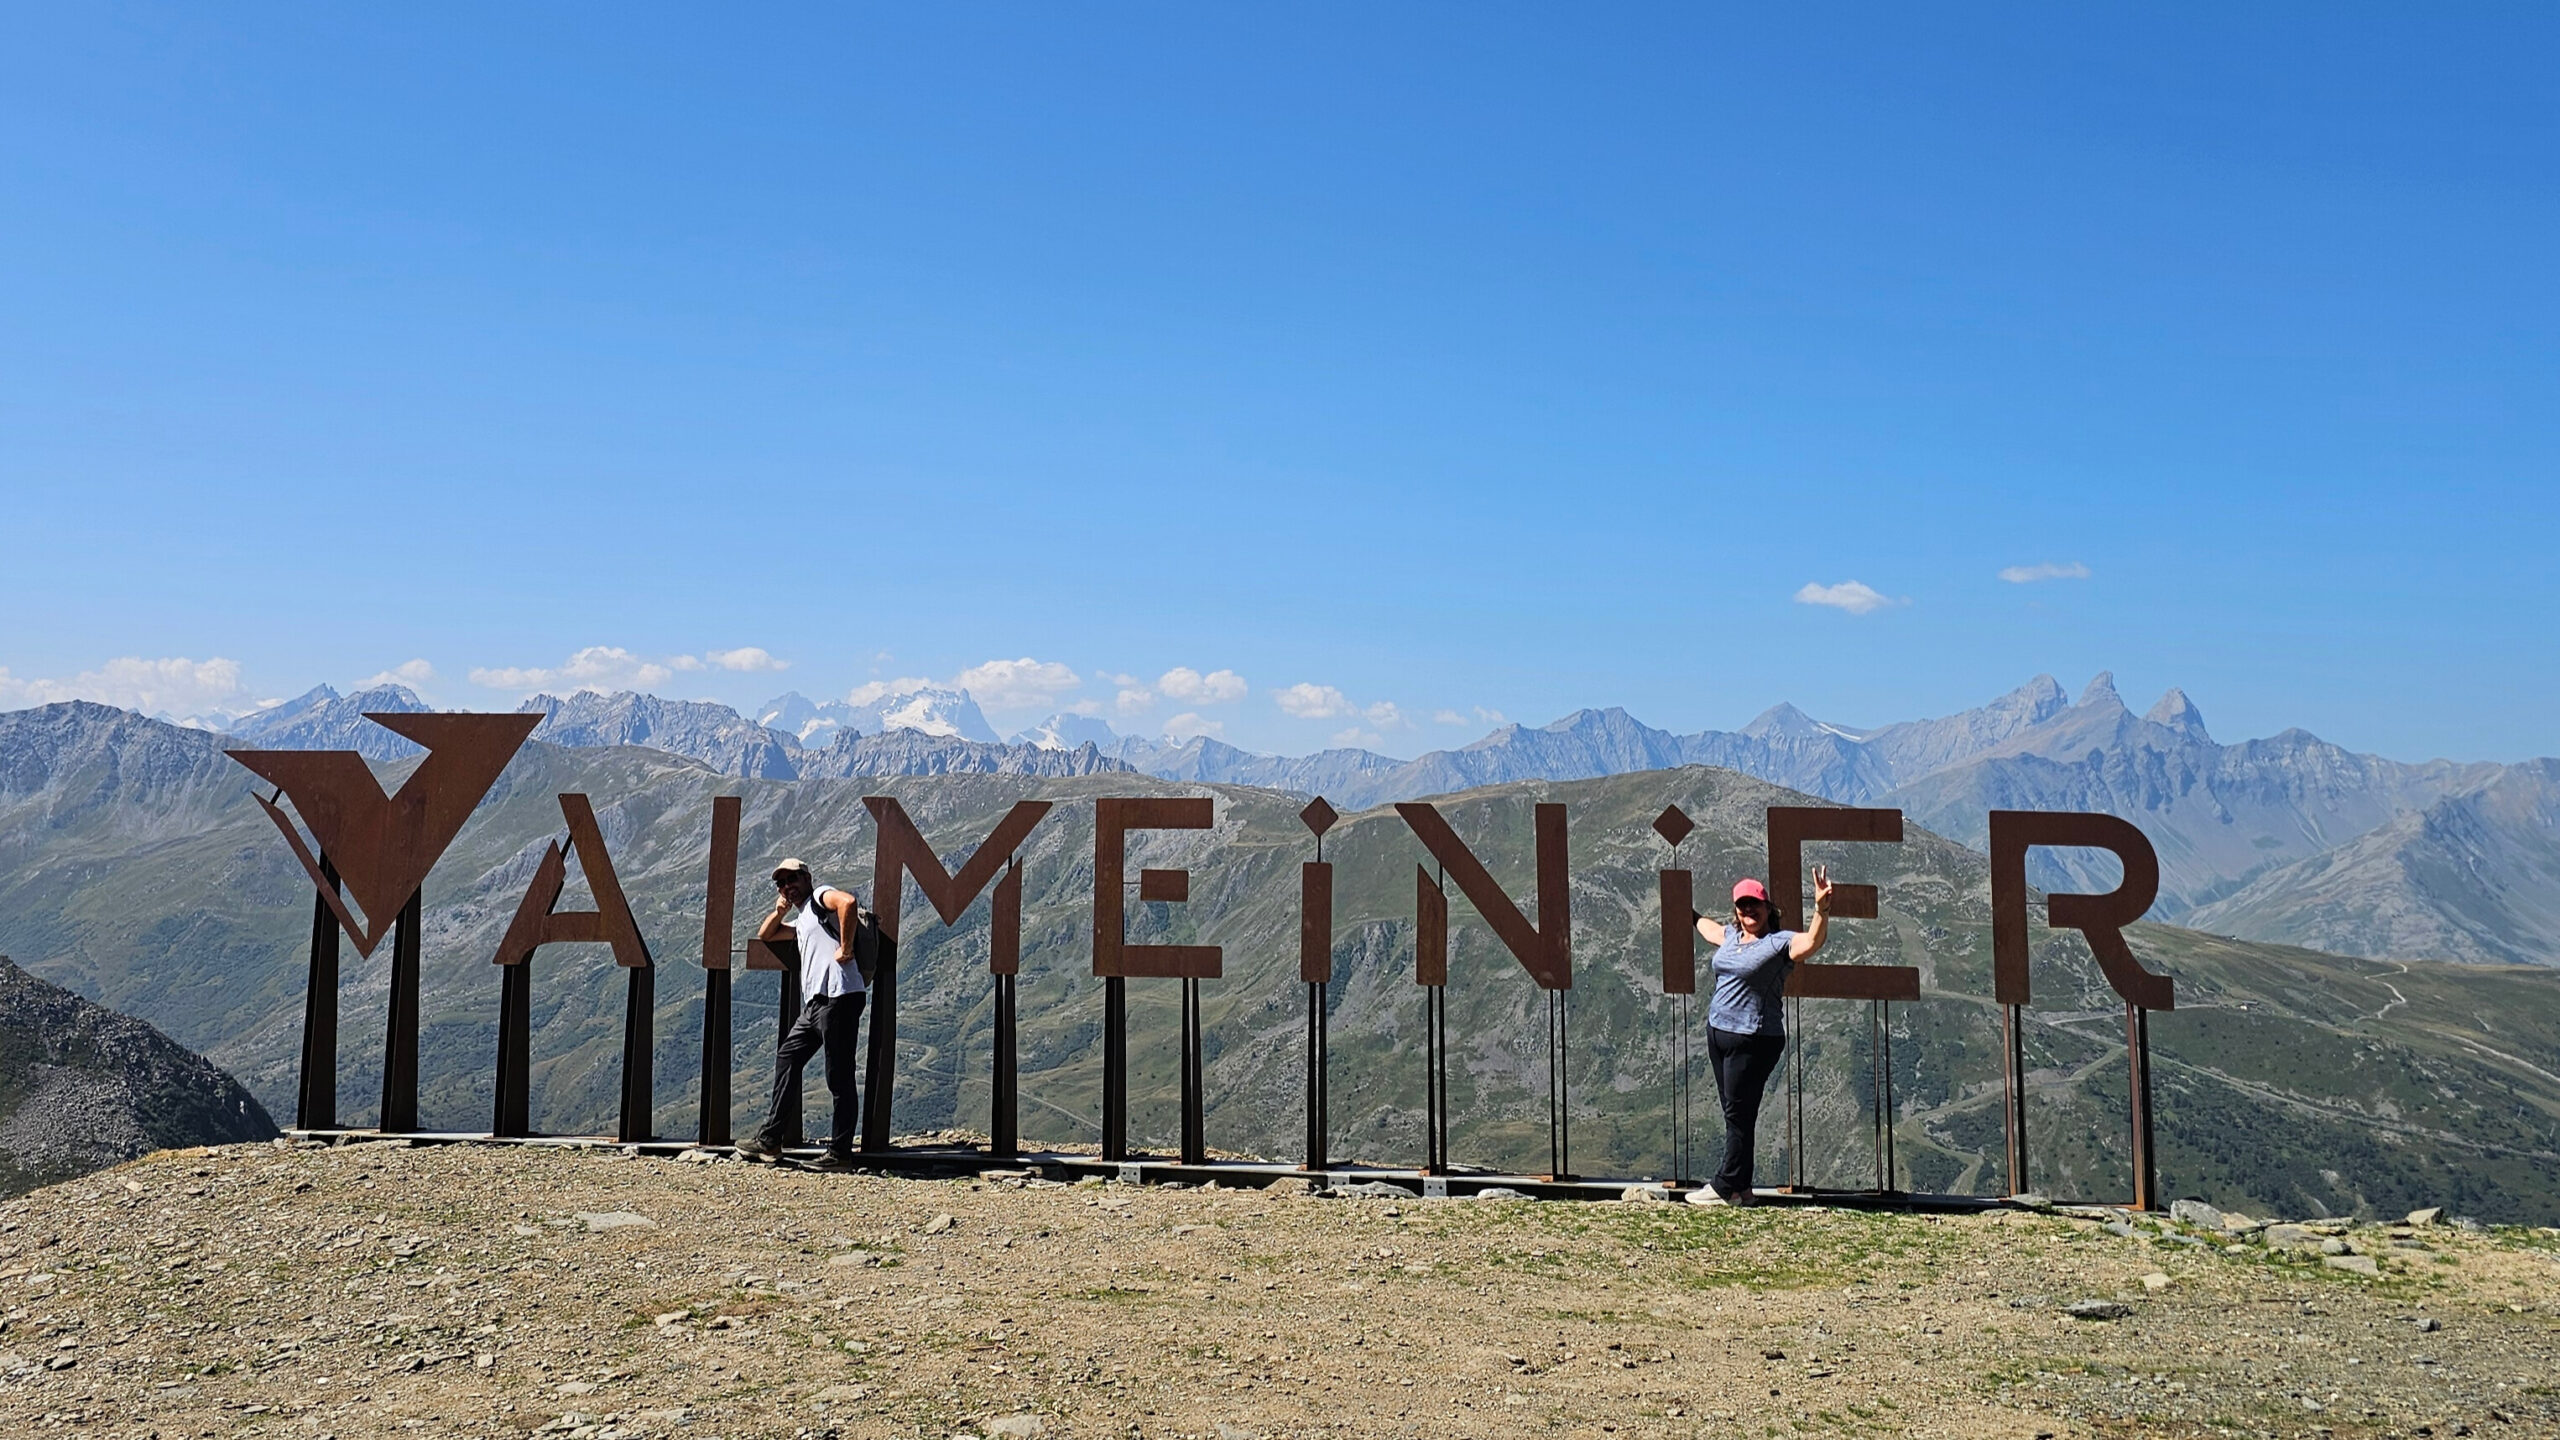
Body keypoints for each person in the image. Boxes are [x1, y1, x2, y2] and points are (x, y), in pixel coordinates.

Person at [1693, 865, 1834, 1203]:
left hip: (1755, 1037)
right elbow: (1707, 928)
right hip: (1720, 1034)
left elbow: (1812, 942)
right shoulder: (1730, 937)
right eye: (1742, 906)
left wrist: (1822, 909)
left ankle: (1724, 1186)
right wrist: (1684, 908)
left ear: (1769, 908)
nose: (1748, 911)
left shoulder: (1778, 943)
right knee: (1736, 1111)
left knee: (1738, 1114)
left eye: (1754, 904)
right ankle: (1742, 1189)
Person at [738, 858, 877, 1166]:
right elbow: (767, 935)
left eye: (792, 880)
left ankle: (840, 1154)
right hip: (816, 1004)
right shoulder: (802, 920)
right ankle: (770, 1140)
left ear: (807, 878)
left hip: (840, 996)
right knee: (788, 1057)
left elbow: (848, 902)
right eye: (781, 883)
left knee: (838, 1077)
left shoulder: (819, 897)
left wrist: (846, 947)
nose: (787, 886)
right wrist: (779, 910)